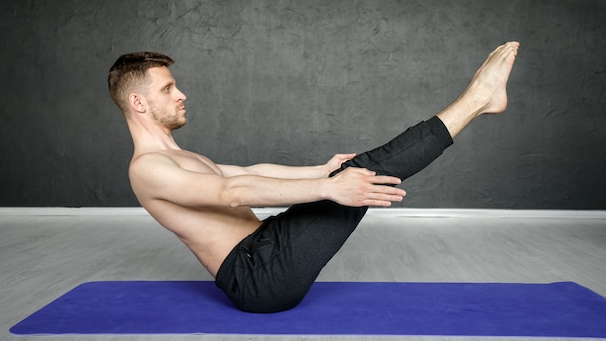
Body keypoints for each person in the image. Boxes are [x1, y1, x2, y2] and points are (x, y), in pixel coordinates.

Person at [108, 41, 520, 313]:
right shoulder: (147, 168)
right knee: (363, 172)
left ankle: (479, 101)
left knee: (354, 171)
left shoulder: (180, 157)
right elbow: (232, 192)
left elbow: (251, 172)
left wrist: (322, 171)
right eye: (168, 89)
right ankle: (478, 100)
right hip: (259, 277)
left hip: (265, 247)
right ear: (138, 101)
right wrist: (330, 186)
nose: (180, 95)